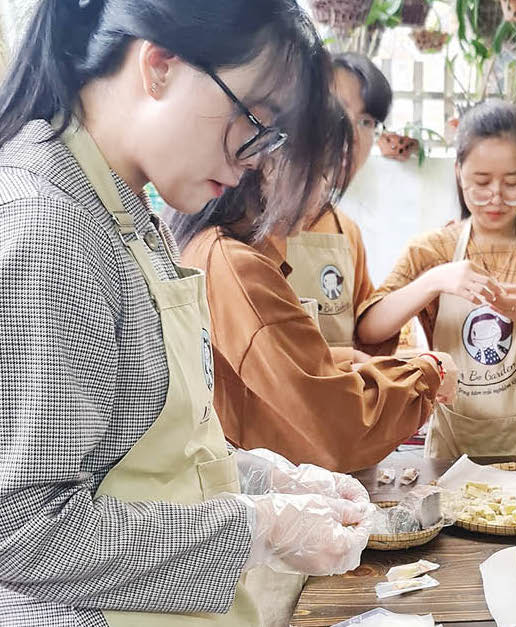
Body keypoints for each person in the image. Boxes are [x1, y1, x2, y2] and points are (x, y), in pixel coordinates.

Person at [0, 1, 381, 625]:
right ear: (159, 67)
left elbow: (140, 458)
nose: (258, 156)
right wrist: (255, 528)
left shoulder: (123, 208)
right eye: (253, 117)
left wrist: (264, 480)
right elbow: (19, 528)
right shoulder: (49, 226)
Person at [165, 60, 457, 474]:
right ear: (269, 162)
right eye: (319, 173)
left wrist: (338, 361)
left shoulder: (223, 246)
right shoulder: (237, 266)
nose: (322, 192)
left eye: (369, 123)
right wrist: (429, 371)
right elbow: (337, 427)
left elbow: (291, 372)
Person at [357, 100, 516, 458]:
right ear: (459, 172)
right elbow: (370, 329)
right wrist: (434, 281)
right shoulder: (432, 250)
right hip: (453, 454)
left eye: (512, 183)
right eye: (481, 182)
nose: (496, 197)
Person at [284, 52, 392, 352]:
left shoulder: (346, 232)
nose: (352, 134)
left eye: (367, 122)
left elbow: (365, 332)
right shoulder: (249, 223)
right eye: (338, 111)